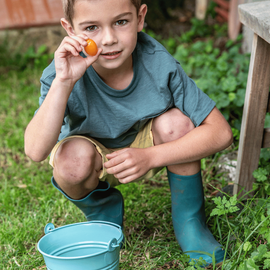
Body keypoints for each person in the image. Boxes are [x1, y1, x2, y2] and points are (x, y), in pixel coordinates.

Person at [24, 0, 233, 265]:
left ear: (140, 17)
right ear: (70, 29)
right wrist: (64, 82)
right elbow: (34, 151)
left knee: (177, 124)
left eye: (121, 22)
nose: (109, 39)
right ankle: (103, 213)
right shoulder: (61, 72)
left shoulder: (158, 63)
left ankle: (190, 222)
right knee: (71, 160)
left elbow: (221, 133)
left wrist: (152, 157)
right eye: (91, 27)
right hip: (90, 153)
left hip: (147, 146)